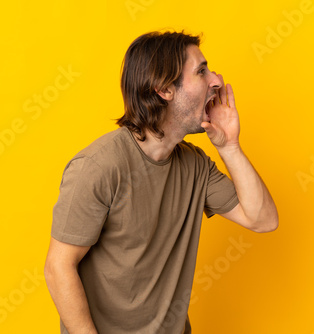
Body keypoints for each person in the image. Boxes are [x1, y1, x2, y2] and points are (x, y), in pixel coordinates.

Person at [44, 30, 279, 334]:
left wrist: (229, 147)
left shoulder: (195, 165)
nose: (217, 80)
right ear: (165, 89)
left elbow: (263, 220)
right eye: (201, 71)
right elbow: (58, 268)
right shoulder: (99, 166)